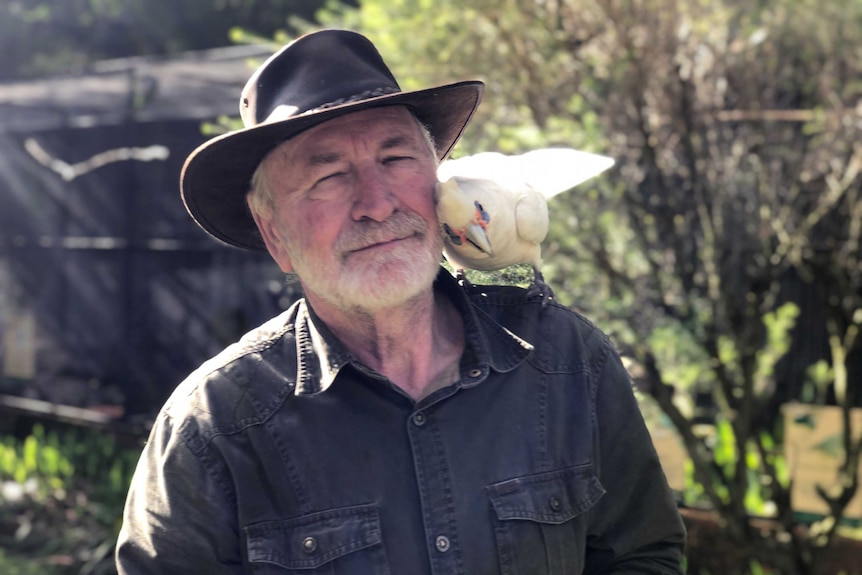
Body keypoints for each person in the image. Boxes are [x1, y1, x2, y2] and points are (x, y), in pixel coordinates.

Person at [115, 29, 686, 574]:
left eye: (396, 160)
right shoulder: (216, 428)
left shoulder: (566, 360)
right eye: (330, 176)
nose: (378, 204)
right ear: (274, 235)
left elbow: (642, 555)